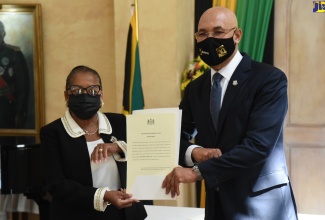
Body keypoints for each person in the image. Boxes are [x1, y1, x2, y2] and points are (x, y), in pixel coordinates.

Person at [162, 6, 298, 220]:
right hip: (217, 204)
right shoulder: (195, 89)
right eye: (202, 34)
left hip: (262, 204)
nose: (210, 39)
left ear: (237, 35)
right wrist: (195, 152)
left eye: (218, 32)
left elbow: (258, 146)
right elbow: (174, 138)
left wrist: (198, 171)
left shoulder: (269, 79)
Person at [40, 65, 147, 220]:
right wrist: (104, 195)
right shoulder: (53, 132)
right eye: (76, 90)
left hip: (127, 213)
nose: (85, 95)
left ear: (101, 95)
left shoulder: (119, 122)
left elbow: (147, 152)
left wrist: (118, 147)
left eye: (92, 90)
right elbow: (57, 185)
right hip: (77, 214)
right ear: (66, 95)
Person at [0, 20, 30, 145]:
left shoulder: (14, 55)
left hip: (7, 108)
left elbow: (23, 87)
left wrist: (20, 113)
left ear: (3, 34)